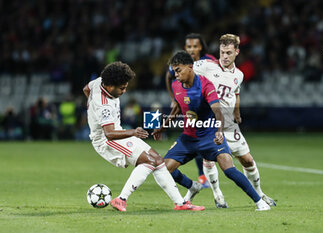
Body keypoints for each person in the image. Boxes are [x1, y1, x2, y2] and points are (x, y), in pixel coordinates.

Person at [153, 51, 270, 211]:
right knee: (164, 169)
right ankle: (193, 186)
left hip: (209, 136)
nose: (176, 74)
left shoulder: (206, 85)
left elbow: (218, 112)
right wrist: (163, 126)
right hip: (188, 138)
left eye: (178, 70)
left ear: (190, 67)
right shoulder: (175, 85)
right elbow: (178, 107)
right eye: (174, 70)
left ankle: (260, 202)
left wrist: (219, 131)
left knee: (229, 169)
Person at [83, 61, 204, 212]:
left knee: (158, 160)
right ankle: (121, 199)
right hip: (107, 140)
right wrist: (133, 132)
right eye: (122, 88)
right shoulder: (104, 105)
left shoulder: (99, 81)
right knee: (148, 160)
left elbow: (86, 89)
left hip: (118, 133)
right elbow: (109, 133)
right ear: (109, 86)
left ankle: (180, 203)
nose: (124, 91)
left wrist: (91, 109)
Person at [193, 34, 276, 206]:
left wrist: (237, 111)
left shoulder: (239, 74)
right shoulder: (205, 66)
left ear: (237, 52)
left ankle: (260, 193)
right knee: (209, 159)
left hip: (229, 123)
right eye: (222, 52)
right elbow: (181, 70)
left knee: (247, 159)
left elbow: (235, 93)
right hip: (209, 122)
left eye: (229, 53)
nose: (224, 56)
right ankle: (218, 195)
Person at [165, 33, 216, 188]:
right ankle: (202, 177)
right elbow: (169, 76)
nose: (192, 49)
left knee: (206, 143)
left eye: (195, 46)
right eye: (189, 46)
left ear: (201, 47)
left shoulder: (210, 60)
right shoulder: (181, 62)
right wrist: (174, 99)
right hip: (190, 106)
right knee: (193, 137)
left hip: (209, 106)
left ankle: (207, 177)